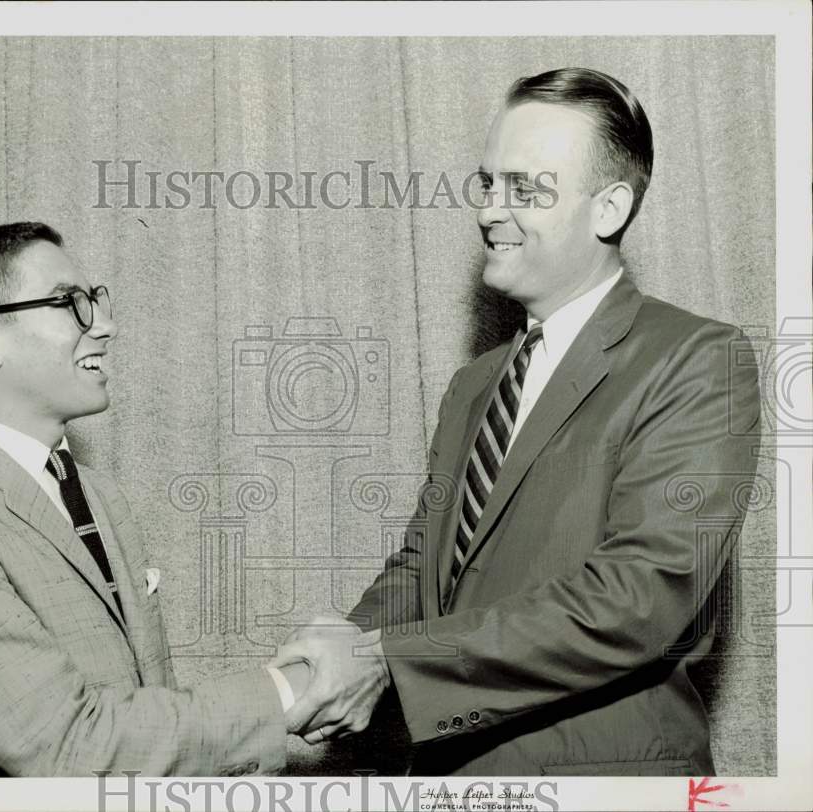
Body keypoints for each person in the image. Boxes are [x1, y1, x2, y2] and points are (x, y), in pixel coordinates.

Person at [272, 67, 761, 776]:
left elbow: (640, 600)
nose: (490, 211)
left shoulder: (696, 359)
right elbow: (423, 567)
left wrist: (388, 663)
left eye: (525, 189)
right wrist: (341, 648)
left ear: (609, 208)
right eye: (487, 183)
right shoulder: (473, 385)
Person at [0, 222, 308, 777]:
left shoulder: (100, 494)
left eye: (95, 300)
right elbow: (64, 746)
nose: (107, 325)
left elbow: (140, 707)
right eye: (71, 302)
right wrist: (288, 691)